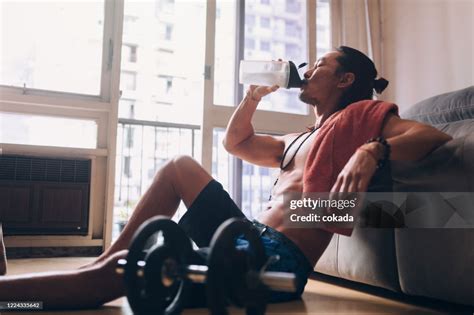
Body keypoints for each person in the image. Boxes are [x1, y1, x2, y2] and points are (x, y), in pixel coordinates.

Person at [0, 46, 452, 309]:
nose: (307, 70)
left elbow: (428, 135)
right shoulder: (300, 139)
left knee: (121, 276)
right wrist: (253, 98)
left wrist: (374, 150)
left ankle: (29, 294)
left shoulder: (363, 116)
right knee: (178, 167)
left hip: (273, 264)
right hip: (247, 236)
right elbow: (237, 143)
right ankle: (101, 264)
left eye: (320, 65)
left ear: (345, 78)